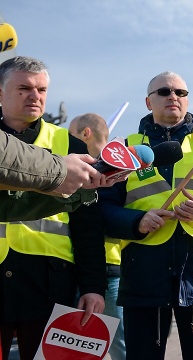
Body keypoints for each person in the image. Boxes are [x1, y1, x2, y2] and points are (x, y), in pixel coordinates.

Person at [98, 71, 193, 360]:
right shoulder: (126, 149)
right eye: (164, 92)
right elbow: (102, 208)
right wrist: (136, 222)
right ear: (149, 102)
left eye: (181, 92)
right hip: (143, 272)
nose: (173, 96)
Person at [0, 56, 106, 360]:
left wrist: (93, 286)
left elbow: (88, 224)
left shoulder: (69, 144)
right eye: (24, 88)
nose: (35, 96)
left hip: (49, 283)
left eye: (42, 89)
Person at [69, 112, 126, 360]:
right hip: (88, 267)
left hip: (108, 271)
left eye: (71, 135)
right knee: (86, 346)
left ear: (85, 134)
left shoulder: (114, 173)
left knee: (117, 344)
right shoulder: (120, 168)